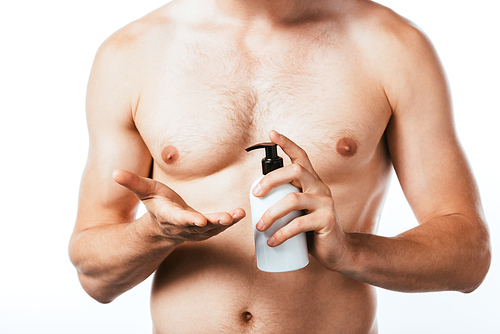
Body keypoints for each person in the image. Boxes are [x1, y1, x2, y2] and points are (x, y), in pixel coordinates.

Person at [69, 0, 491, 332]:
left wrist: (351, 251)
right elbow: (95, 277)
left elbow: (469, 256)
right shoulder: (130, 55)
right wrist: (153, 233)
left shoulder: (390, 45)